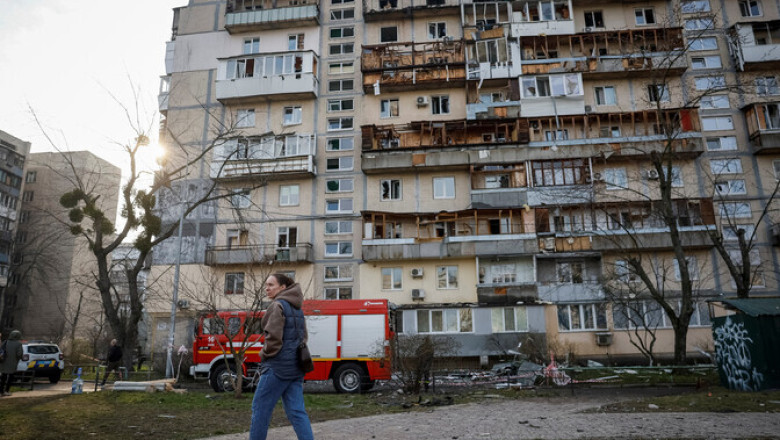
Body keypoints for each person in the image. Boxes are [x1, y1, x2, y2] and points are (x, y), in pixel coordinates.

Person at [249, 273, 314, 440]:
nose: (267, 288)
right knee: (297, 412)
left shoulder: (277, 305)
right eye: (266, 285)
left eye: (271, 285)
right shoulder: (297, 308)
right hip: (296, 367)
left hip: (277, 368)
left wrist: (264, 354)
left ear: (283, 288)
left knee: (260, 408)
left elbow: (273, 339)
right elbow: (303, 337)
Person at [0, 330, 23, 396]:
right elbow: (19, 354)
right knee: (10, 377)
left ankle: (1, 391)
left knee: (3, 376)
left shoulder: (5, 342)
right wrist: (20, 358)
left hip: (3, 361)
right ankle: (6, 391)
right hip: (13, 362)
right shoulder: (18, 344)